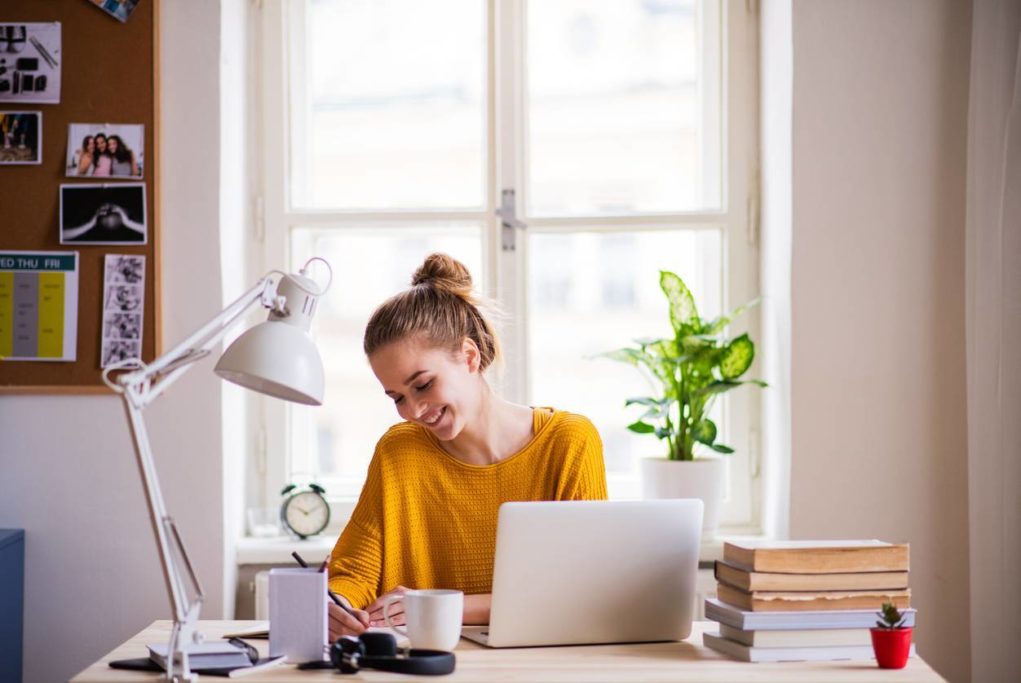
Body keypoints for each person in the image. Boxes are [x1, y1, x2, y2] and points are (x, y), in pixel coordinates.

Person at [326, 253, 608, 641]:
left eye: (423, 385)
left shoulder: (569, 442)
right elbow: (355, 571)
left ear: (470, 356)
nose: (413, 410)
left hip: (542, 664)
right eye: (397, 397)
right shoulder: (399, 451)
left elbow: (581, 589)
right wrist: (336, 607)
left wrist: (436, 605)